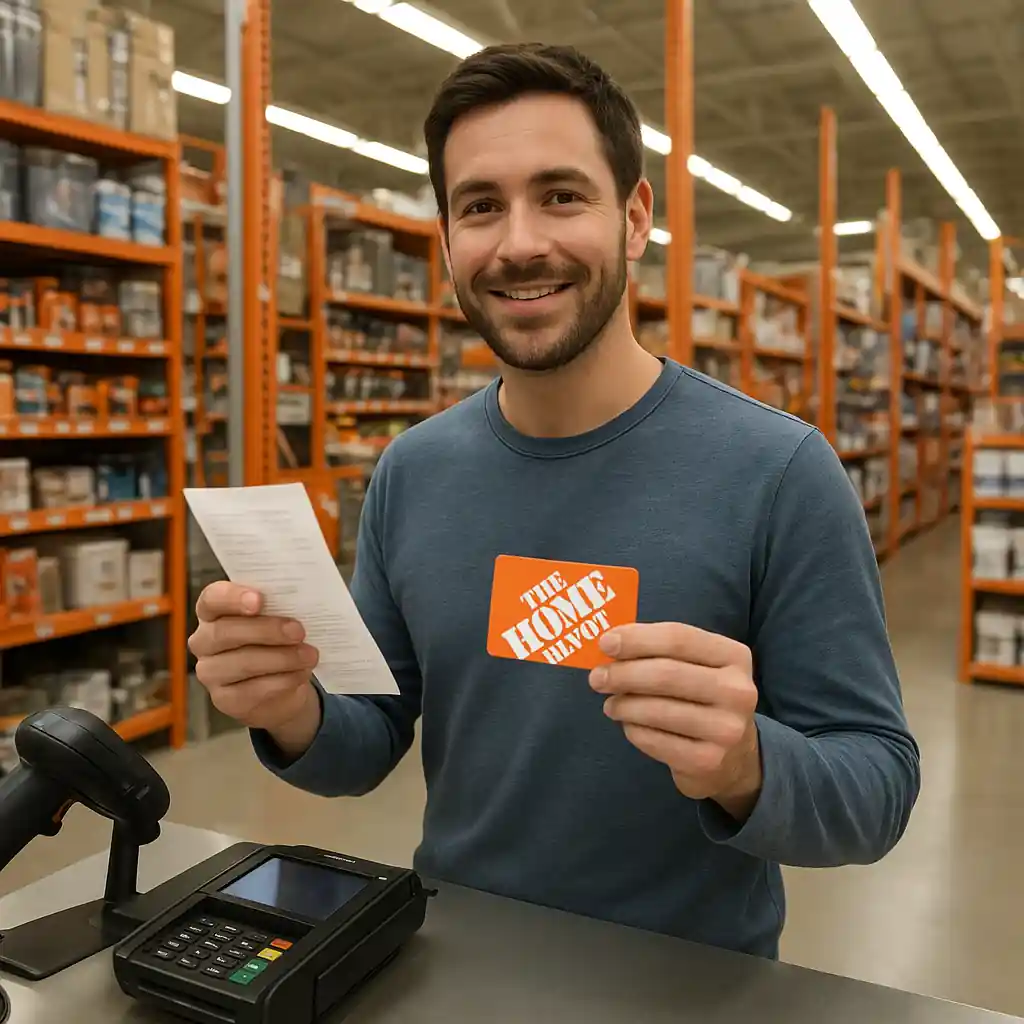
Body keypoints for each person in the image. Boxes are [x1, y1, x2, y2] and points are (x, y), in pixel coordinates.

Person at [189, 43, 921, 959]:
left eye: (561, 195)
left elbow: (877, 791)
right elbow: (369, 736)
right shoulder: (413, 472)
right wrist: (288, 703)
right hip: (452, 966)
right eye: (481, 206)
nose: (520, 242)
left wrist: (745, 763)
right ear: (450, 240)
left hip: (687, 992)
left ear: (635, 217)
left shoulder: (777, 472)